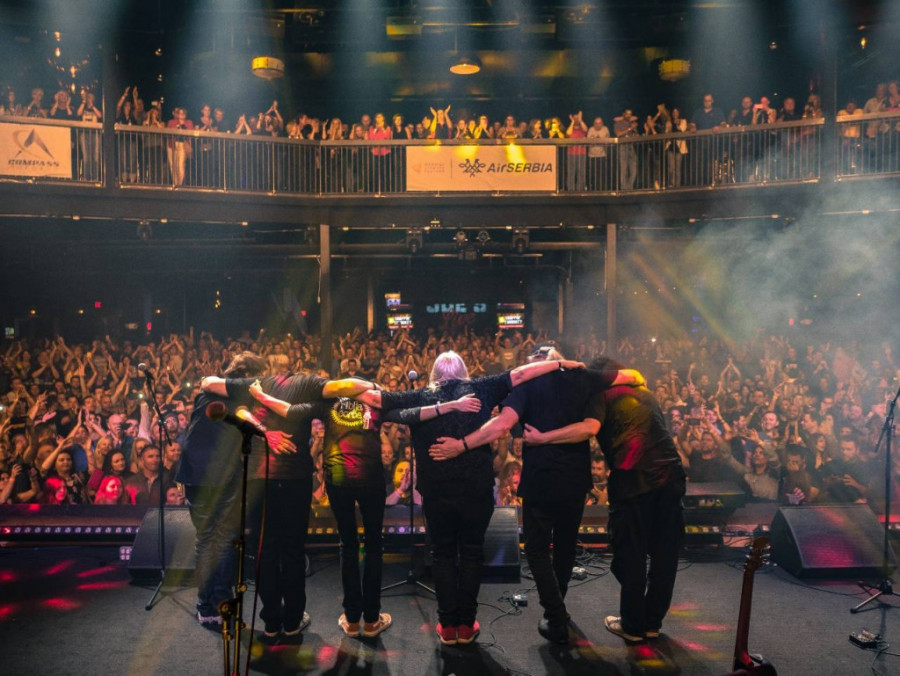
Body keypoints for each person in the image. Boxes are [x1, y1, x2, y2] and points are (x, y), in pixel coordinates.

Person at [353, 352, 591, 646]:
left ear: (434, 373)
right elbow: (520, 374)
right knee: (472, 553)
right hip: (475, 488)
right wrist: (559, 363)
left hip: (437, 489)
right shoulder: (482, 388)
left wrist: (341, 387)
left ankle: (447, 626)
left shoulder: (420, 396)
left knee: (442, 554)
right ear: (464, 370)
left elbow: (375, 400)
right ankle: (466, 626)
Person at [428, 346, 643, 643]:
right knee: (565, 547)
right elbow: (631, 377)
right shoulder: (583, 378)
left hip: (541, 479)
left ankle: (556, 614)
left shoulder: (527, 384)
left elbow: (503, 424)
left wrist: (461, 445)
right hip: (575, 480)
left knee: (537, 549)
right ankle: (556, 614)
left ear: (534, 364)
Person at [246, 381, 480, 638]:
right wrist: (452, 405)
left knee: (348, 544)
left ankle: (351, 619)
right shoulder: (376, 401)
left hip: (338, 478)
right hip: (369, 477)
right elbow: (412, 411)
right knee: (373, 545)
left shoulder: (328, 403)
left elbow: (289, 410)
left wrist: (260, 396)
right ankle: (371, 620)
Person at [200, 369, 380, 641]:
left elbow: (209, 383)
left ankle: (272, 623)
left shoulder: (255, 384)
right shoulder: (308, 383)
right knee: (293, 550)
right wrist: (373, 385)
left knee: (266, 551)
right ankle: (293, 621)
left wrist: (255, 410)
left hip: (261, 478)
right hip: (294, 477)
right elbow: (341, 386)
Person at [591, 356, 685, 643]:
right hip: (670, 476)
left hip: (634, 480)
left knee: (630, 554)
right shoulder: (644, 391)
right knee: (664, 554)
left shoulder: (600, 396)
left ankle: (632, 626)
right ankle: (652, 622)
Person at [177, 351, 270, 630]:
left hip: (194, 473)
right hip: (220, 475)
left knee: (206, 539)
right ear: (250, 375)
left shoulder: (206, 392)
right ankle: (220, 605)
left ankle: (206, 608)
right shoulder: (241, 394)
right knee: (223, 540)